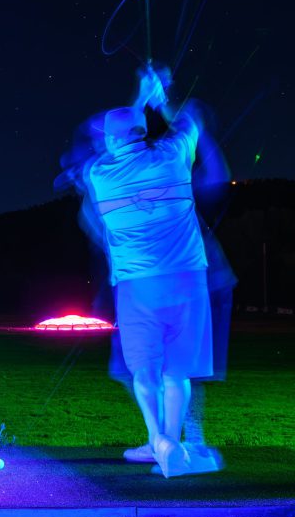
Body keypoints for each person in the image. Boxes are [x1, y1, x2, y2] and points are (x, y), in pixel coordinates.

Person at [80, 68, 213, 478]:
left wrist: (140, 98)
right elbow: (192, 122)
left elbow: (116, 141)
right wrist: (158, 99)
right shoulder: (173, 155)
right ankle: (171, 442)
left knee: (145, 370)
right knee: (177, 370)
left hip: (138, 286)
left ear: (112, 140)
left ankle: (158, 439)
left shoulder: (101, 176)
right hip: (188, 279)